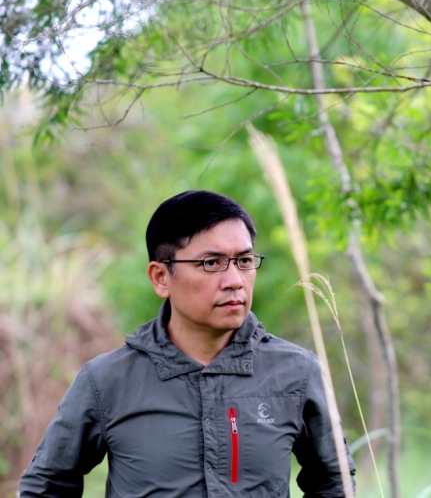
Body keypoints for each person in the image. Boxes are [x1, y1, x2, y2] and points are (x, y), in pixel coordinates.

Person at [19, 190, 356, 497]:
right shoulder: (108, 380)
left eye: (244, 261)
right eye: (211, 263)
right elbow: (46, 488)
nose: (235, 281)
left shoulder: (296, 372)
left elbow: (333, 482)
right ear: (161, 277)